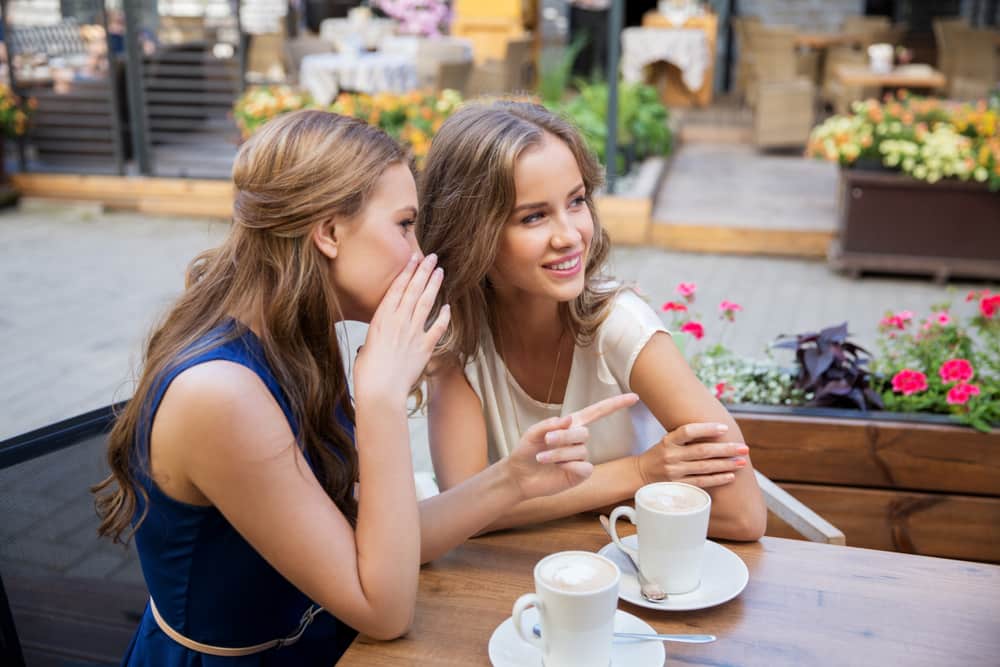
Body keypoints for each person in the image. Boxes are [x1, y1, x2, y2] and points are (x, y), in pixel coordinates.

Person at [93, 109, 637, 663]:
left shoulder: (299, 335)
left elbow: (376, 543)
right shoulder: (221, 395)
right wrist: (380, 401)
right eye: (404, 224)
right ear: (329, 233)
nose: (421, 252)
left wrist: (514, 479)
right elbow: (385, 610)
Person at [417, 101, 768, 541]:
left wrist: (510, 502)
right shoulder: (458, 341)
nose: (569, 236)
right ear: (471, 233)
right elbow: (460, 505)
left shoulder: (620, 327)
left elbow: (743, 516)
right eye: (534, 216)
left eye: (576, 201)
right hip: (515, 584)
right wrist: (640, 471)